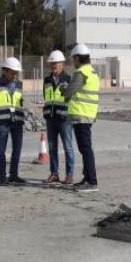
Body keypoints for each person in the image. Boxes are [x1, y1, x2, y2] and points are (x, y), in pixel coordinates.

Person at [63, 43, 100, 193]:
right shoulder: (92, 72)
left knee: (85, 149)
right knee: (85, 149)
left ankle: (91, 181)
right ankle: (87, 178)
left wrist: (64, 91)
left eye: (73, 58)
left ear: (78, 58)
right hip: (88, 114)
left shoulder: (80, 73)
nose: (72, 61)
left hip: (81, 115)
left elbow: (70, 92)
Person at [0, 57, 25, 185]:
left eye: (16, 73)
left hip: (17, 121)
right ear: (5, 71)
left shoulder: (19, 84)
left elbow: (20, 102)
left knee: (17, 149)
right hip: (2, 121)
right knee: (1, 150)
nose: (15, 75)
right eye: (13, 72)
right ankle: (2, 176)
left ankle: (13, 175)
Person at [42, 49, 75, 184]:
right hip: (51, 118)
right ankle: (54, 174)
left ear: (62, 64)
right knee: (52, 147)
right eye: (52, 63)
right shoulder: (47, 80)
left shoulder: (68, 79)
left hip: (65, 119)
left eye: (56, 63)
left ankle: (69, 175)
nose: (54, 65)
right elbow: (47, 98)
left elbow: (72, 99)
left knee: (67, 147)